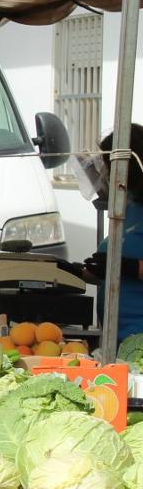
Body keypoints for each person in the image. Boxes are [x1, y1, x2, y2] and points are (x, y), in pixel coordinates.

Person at [84, 124, 143, 343]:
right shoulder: (129, 206)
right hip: (114, 336)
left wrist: (126, 266)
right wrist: (84, 271)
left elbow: (125, 264)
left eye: (111, 166)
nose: (107, 174)